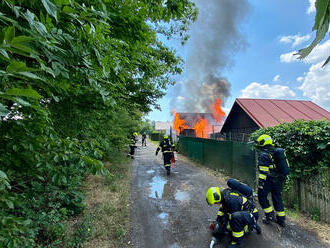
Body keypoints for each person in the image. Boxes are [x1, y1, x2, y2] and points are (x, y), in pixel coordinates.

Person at [206, 182, 261, 248]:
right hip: (247, 214)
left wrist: (222, 227)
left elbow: (234, 219)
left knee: (234, 218)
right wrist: (218, 222)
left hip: (252, 215)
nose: (216, 204)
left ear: (217, 198)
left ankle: (238, 243)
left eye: (215, 202)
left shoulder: (231, 201)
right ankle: (253, 225)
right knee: (227, 218)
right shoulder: (225, 195)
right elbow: (223, 210)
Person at [255, 134, 290, 227]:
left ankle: (269, 216)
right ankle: (281, 219)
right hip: (279, 180)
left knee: (262, 196)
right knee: (277, 198)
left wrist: (261, 183)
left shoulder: (263, 154)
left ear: (263, 143)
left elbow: (263, 171)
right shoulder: (276, 151)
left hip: (268, 180)